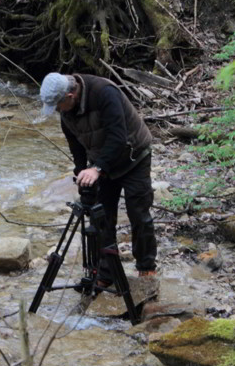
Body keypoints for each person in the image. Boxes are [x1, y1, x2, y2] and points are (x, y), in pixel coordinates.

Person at [39, 72, 157, 283]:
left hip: (134, 156)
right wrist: (81, 171)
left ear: (70, 95)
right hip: (102, 161)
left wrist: (97, 169)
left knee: (138, 213)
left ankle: (146, 268)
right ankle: (106, 272)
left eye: (58, 105)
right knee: (100, 217)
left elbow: (118, 136)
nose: (57, 111)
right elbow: (76, 145)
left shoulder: (104, 92)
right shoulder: (66, 111)